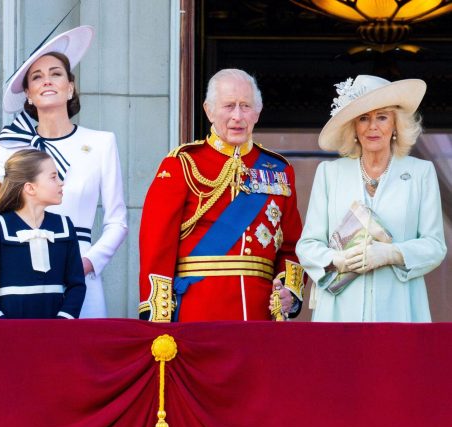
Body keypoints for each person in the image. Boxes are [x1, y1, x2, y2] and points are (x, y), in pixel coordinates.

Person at [0, 26, 127, 319]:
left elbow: (117, 222)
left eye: (56, 73)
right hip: (20, 273)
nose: (47, 80)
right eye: (37, 77)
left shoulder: (101, 143)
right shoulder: (10, 145)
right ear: (29, 95)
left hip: (79, 273)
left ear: (70, 87)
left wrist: (86, 263)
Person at [139, 69, 305, 322]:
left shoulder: (279, 170)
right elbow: (156, 242)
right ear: (209, 110)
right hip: (197, 310)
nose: (237, 116)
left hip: (259, 313)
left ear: (257, 112)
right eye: (228, 106)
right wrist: (158, 315)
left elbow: (292, 246)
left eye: (245, 106)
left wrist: (288, 292)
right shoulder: (183, 163)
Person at [296, 75, 446, 322]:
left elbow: (435, 246)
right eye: (363, 118)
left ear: (396, 125)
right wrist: (338, 260)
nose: (372, 126)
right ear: (353, 127)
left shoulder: (421, 173)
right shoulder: (329, 173)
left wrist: (392, 254)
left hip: (400, 310)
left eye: (382, 117)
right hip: (339, 312)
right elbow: (307, 245)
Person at [0, 149, 86, 319]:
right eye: (53, 177)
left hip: (57, 333)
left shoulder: (64, 226)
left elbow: (77, 284)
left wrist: (64, 320)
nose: (61, 183)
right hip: (11, 333)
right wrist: (0, 323)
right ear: (30, 188)